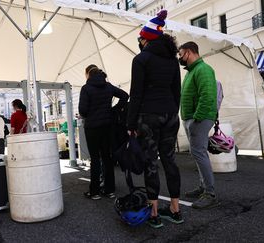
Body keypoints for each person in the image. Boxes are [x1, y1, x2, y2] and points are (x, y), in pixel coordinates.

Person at [127, 10, 183, 228]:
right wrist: (172, 112)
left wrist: (130, 124)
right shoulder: (172, 60)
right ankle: (176, 210)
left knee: (151, 162)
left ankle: (154, 214)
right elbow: (176, 91)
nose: (139, 42)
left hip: (148, 117)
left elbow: (136, 94)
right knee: (170, 160)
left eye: (140, 38)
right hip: (170, 115)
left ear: (145, 38)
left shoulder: (140, 60)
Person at [178, 41, 219, 209]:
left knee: (199, 153)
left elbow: (208, 96)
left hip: (198, 119)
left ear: (188, 52)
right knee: (198, 154)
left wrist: (197, 118)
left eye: (181, 54)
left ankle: (210, 193)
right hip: (192, 118)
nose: (180, 58)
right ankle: (203, 187)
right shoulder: (192, 71)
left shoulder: (203, 70)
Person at [79, 64, 129, 200]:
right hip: (107, 126)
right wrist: (114, 110)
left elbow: (82, 110)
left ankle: (94, 192)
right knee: (107, 158)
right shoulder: (108, 86)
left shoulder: (86, 88)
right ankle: (110, 190)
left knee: (95, 159)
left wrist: (89, 113)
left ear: (88, 74)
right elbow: (125, 95)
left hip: (92, 128)